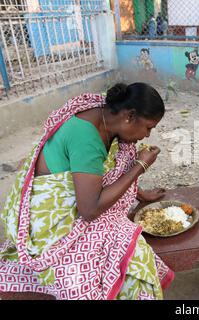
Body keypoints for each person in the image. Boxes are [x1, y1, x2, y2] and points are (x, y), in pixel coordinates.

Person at [0, 83, 174, 300]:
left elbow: (109, 171)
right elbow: (89, 210)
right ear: (129, 116)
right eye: (148, 127)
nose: (147, 135)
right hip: (51, 218)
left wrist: (141, 194)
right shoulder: (87, 138)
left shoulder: (107, 112)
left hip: (82, 194)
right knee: (129, 256)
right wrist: (140, 166)